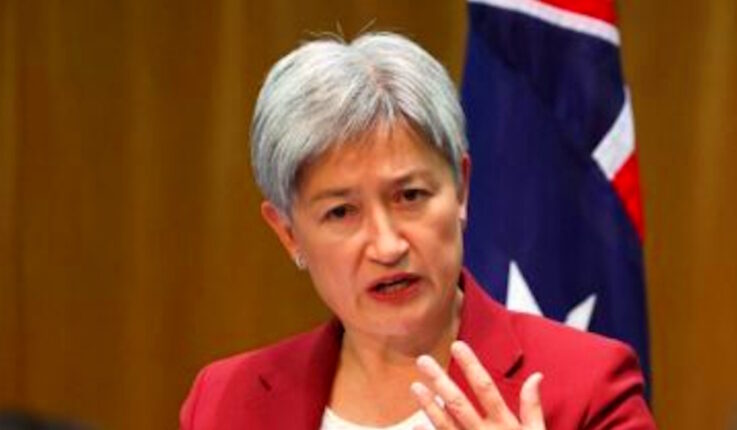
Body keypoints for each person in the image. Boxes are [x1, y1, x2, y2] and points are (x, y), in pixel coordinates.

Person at [180, 32, 656, 429]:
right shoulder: (224, 402)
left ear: (461, 190)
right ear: (288, 233)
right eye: (341, 213)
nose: (388, 247)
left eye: (410, 196)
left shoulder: (587, 384)